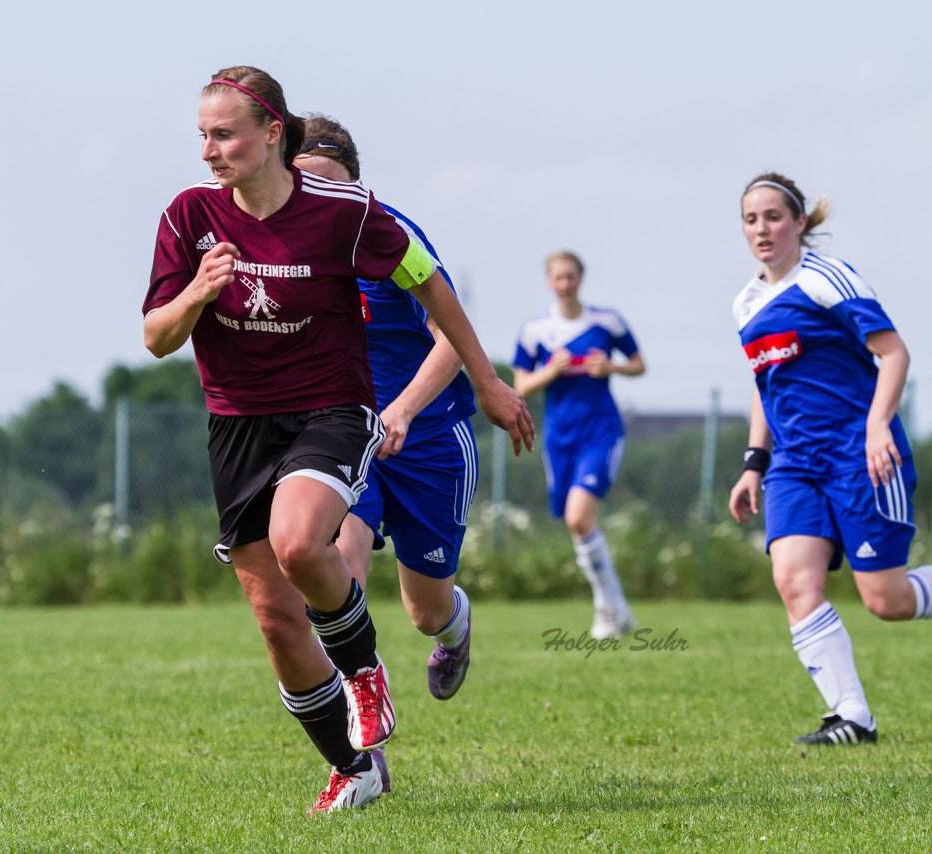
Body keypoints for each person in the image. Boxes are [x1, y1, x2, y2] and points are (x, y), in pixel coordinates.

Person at [142, 65, 534, 812]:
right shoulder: (189, 218)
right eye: (202, 135)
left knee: (304, 545)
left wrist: (485, 382)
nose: (208, 151)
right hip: (238, 426)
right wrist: (198, 291)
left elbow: (432, 286)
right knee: (277, 619)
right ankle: (355, 767)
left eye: (223, 134)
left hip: (335, 412)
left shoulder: (349, 212)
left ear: (271, 134)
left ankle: (364, 669)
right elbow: (157, 337)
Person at [727, 172, 932, 745]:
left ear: (799, 223)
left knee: (886, 601)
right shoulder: (746, 303)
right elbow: (765, 383)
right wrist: (754, 461)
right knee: (793, 580)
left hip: (860, 455)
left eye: (773, 216)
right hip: (795, 464)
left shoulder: (827, 279)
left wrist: (875, 426)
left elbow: (893, 352)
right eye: (751, 219)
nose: (762, 229)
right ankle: (852, 717)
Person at [293, 115, 477, 703]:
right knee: (335, 574)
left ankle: (455, 629)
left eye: (332, 185)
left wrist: (400, 409)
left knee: (425, 610)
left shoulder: (391, 237)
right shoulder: (281, 251)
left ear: (356, 188)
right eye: (306, 185)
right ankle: (363, 731)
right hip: (345, 439)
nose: (320, 198)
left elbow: (454, 336)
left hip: (427, 438)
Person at [513, 252, 645, 638]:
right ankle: (617, 609)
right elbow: (521, 385)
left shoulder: (606, 321)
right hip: (559, 437)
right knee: (577, 526)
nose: (565, 283)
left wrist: (611, 367)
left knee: (579, 517)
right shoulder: (536, 329)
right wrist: (551, 370)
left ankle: (607, 612)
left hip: (601, 431)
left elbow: (638, 363)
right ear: (550, 281)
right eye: (558, 277)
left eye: (571, 276)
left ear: (581, 278)